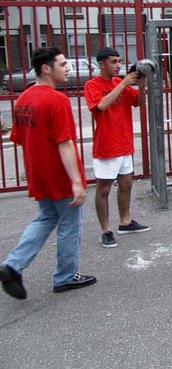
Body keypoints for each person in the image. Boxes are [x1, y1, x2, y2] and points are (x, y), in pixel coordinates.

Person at [0, 47, 96, 299]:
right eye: (63, 64)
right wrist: (77, 181)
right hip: (59, 174)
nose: (68, 69)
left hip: (38, 172)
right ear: (46, 68)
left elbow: (19, 137)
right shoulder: (56, 99)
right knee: (69, 225)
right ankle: (65, 275)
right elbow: (64, 142)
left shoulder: (23, 99)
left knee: (45, 218)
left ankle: (13, 264)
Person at [84, 48, 150, 248]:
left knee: (126, 185)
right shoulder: (92, 85)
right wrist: (123, 83)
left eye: (119, 61)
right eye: (113, 62)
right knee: (103, 189)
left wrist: (142, 82)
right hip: (106, 147)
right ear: (102, 64)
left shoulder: (119, 84)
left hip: (124, 144)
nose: (118, 65)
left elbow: (138, 102)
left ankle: (125, 222)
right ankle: (105, 230)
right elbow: (101, 105)